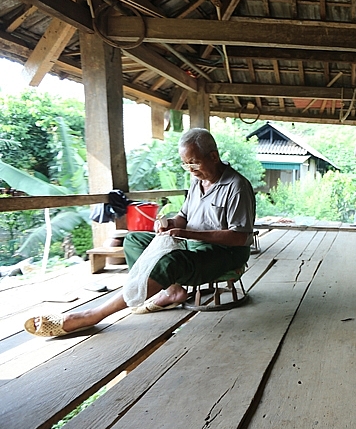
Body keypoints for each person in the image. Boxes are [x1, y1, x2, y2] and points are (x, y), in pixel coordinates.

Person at [24, 128, 256, 337]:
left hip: (224, 252)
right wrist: (168, 223)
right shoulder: (197, 182)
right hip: (191, 244)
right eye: (185, 165)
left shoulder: (236, 187)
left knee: (171, 262)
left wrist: (187, 235)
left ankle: (92, 315)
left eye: (194, 163)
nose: (191, 170)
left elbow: (238, 237)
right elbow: (183, 218)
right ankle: (173, 291)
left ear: (213, 156)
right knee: (134, 239)